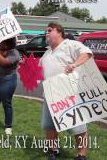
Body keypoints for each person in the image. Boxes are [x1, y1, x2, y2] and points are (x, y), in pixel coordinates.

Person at [40, 22, 92, 160]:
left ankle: (81, 156)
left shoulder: (70, 45)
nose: (47, 32)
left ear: (60, 32)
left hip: (68, 94)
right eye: (46, 30)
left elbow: (87, 53)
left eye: (50, 30)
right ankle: (53, 151)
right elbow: (40, 71)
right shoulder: (47, 52)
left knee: (78, 128)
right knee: (50, 126)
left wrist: (74, 64)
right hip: (50, 95)